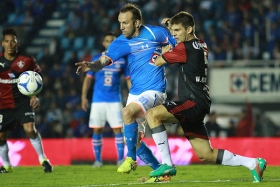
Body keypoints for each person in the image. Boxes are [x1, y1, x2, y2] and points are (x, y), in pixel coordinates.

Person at [144, 11, 266, 183]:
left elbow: (156, 61)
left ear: (189, 29)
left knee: (152, 114)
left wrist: (163, 50)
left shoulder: (183, 48)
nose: (174, 34)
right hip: (200, 102)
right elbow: (182, 33)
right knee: (205, 154)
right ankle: (254, 163)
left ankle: (167, 164)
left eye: (177, 31)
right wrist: (169, 24)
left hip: (191, 102)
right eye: (173, 31)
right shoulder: (201, 44)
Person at [76, 3, 177, 182]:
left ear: (137, 22)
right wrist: (92, 66)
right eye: (120, 23)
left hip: (155, 90)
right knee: (133, 141)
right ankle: (163, 175)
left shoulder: (156, 33)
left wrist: (171, 44)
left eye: (126, 23)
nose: (121, 27)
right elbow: (104, 60)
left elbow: (176, 42)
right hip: (136, 94)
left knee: (127, 112)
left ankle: (129, 159)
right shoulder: (121, 42)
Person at [0, 28, 53, 173]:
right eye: (7, 41)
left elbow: (38, 77)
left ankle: (43, 159)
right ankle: (6, 165)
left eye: (13, 41)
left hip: (23, 102)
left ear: (18, 43)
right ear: (2, 43)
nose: (10, 44)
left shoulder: (27, 60)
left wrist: (35, 95)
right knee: (1, 136)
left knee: (30, 130)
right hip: (3, 104)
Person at [81, 32, 131, 167]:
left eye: (112, 41)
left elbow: (128, 80)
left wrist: (132, 98)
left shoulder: (121, 60)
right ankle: (98, 160)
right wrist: (83, 97)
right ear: (103, 43)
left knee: (118, 130)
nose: (109, 43)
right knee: (97, 129)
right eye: (107, 40)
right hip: (97, 101)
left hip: (115, 100)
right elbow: (88, 79)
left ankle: (120, 159)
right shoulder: (97, 59)